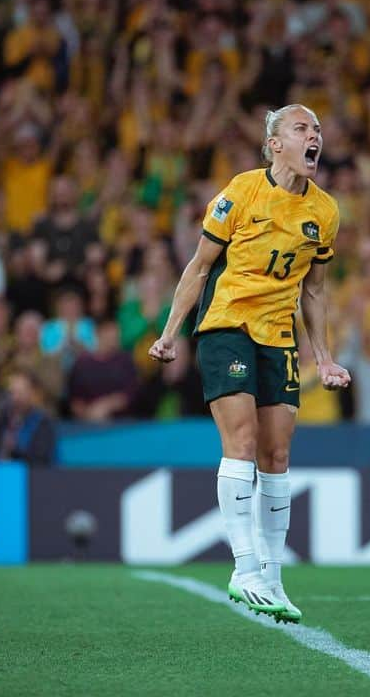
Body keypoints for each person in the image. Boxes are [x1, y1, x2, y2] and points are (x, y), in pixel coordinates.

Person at [148, 104, 350, 623]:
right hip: (227, 325)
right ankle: (243, 568)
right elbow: (199, 267)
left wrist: (324, 359)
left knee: (277, 454)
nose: (314, 137)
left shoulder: (324, 212)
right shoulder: (241, 192)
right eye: (302, 128)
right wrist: (170, 333)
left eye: (318, 130)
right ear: (275, 143)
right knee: (239, 441)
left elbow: (315, 291)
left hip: (278, 336)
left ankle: (273, 577)